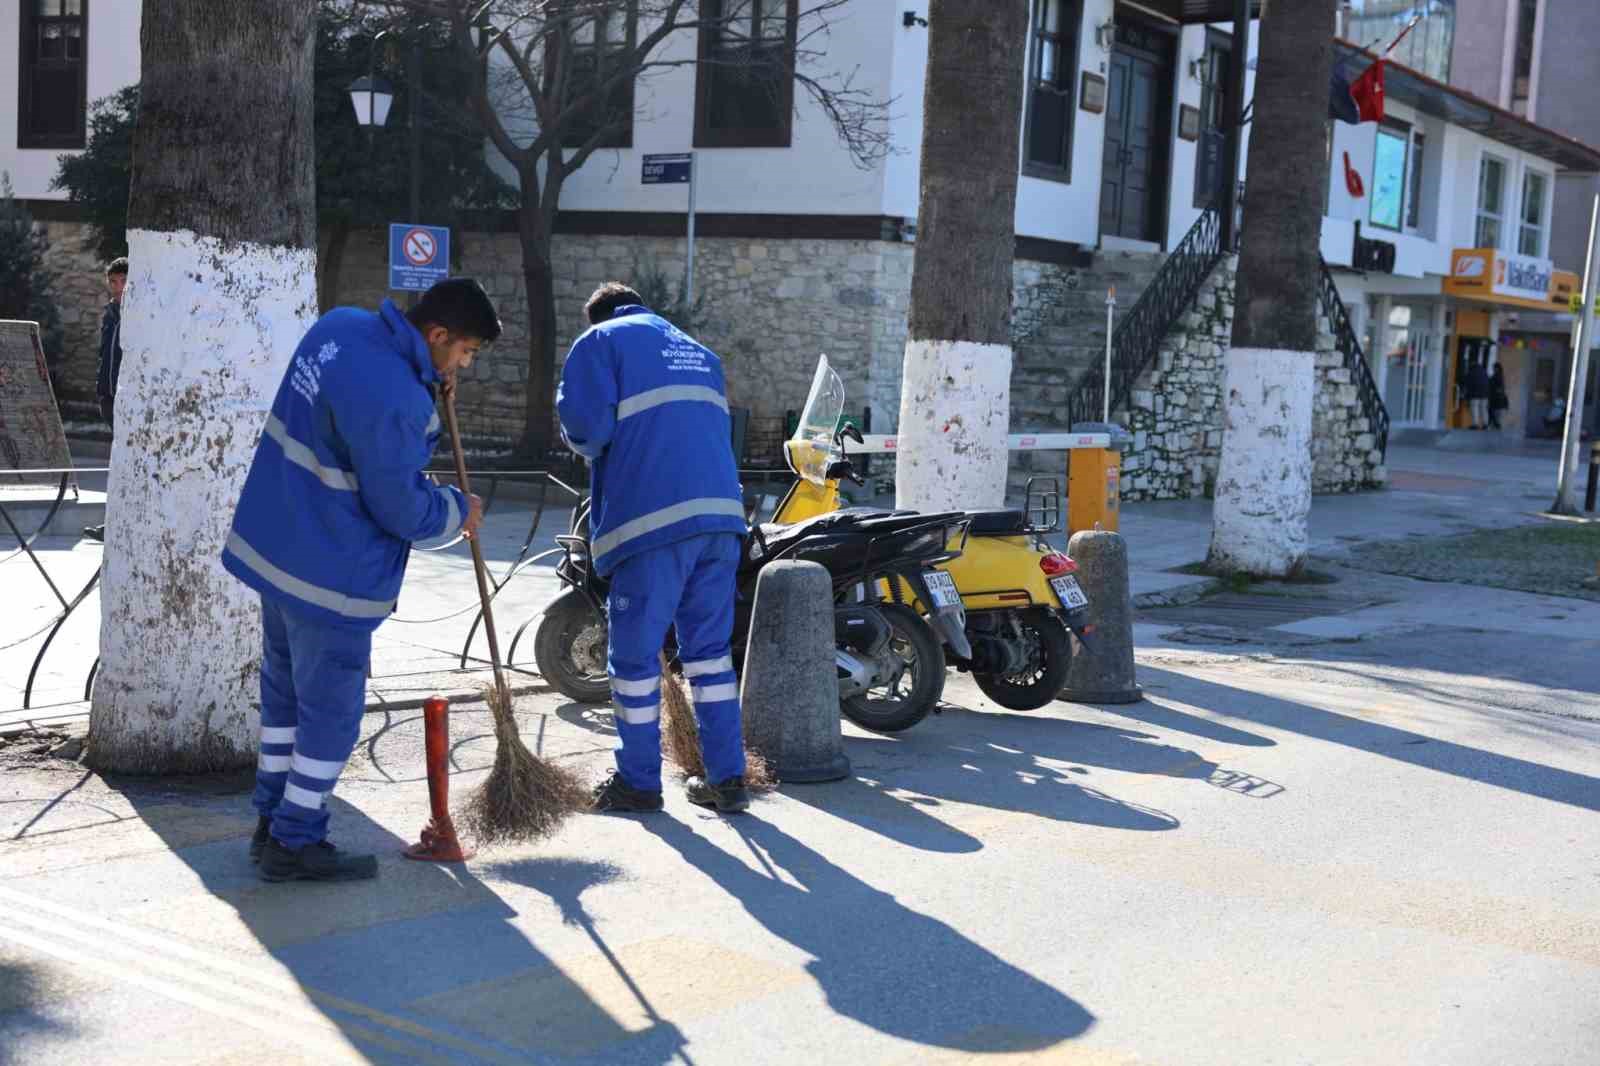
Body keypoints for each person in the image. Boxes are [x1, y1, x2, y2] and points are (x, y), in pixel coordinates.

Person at [222, 278, 496, 883]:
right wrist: (456, 510)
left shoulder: (340, 326)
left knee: (285, 701)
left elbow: (349, 423)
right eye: (466, 353)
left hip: (279, 550)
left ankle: (270, 820)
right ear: (438, 335)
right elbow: (398, 504)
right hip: (331, 573)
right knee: (332, 714)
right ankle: (295, 841)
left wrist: (426, 386)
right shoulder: (396, 394)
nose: (465, 366)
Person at [557, 283, 751, 815]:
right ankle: (728, 780)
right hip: (721, 519)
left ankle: (639, 782)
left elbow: (584, 430)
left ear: (596, 316)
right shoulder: (700, 354)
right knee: (709, 657)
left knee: (635, 659)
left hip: (652, 522)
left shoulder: (601, 340)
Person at [84, 258, 127, 543]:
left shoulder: (138, 313)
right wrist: (102, 391)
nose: (118, 287)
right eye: (113, 282)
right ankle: (111, 524)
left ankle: (117, 525)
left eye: (122, 281)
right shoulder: (111, 312)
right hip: (108, 396)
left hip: (127, 399)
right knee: (117, 463)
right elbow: (105, 355)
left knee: (124, 463)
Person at [1465, 356, 1491, 430]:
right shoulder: (1483, 371)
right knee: (1483, 409)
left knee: (1474, 408)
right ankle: (1485, 424)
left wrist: (1467, 395)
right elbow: (1488, 382)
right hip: (1484, 394)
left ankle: (1475, 424)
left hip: (1474, 394)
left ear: (1471, 363)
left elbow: (1468, 384)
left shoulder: (1471, 372)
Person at [1489, 363, 1509, 431]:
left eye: (1494, 368)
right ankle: (1495, 427)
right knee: (1496, 416)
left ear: (1497, 368)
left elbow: (1497, 388)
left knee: (1495, 415)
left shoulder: (1496, 376)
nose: (1493, 369)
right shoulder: (1500, 376)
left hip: (1496, 399)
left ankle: (1496, 427)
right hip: (1499, 400)